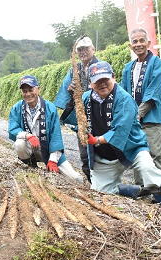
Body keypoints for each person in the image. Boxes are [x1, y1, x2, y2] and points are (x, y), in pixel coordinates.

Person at [62, 61, 161, 210]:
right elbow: (74, 120)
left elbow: (121, 129)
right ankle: (128, 190)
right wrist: (73, 98)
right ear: (90, 83)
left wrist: (95, 140)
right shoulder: (86, 99)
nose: (102, 84)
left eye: (105, 80)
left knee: (148, 169)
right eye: (97, 81)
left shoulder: (124, 98)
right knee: (100, 193)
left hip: (132, 148)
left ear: (113, 77)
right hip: (105, 155)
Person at [120, 28, 161, 192]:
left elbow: (155, 92)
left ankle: (160, 191)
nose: (138, 44)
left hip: (152, 119)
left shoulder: (157, 64)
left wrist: (139, 114)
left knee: (156, 154)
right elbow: (124, 94)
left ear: (148, 43)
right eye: (135, 41)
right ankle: (143, 189)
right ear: (130, 45)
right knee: (138, 154)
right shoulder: (128, 68)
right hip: (134, 121)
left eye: (142, 40)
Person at [9, 75, 83, 182]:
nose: (28, 94)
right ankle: (29, 164)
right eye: (24, 91)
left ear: (38, 89)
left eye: (31, 90)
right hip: (29, 147)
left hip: (48, 149)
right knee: (20, 144)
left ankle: (52, 163)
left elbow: (55, 136)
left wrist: (53, 159)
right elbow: (12, 129)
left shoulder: (50, 108)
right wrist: (27, 135)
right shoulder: (17, 108)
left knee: (76, 178)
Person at [53, 36, 100, 183]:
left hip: (99, 114)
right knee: (84, 150)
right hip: (81, 116)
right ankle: (90, 178)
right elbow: (66, 93)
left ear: (93, 49)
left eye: (86, 49)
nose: (83, 52)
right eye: (80, 50)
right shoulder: (75, 69)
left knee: (100, 148)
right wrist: (71, 91)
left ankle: (102, 181)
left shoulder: (101, 66)